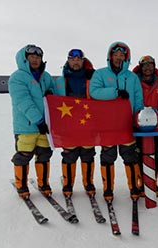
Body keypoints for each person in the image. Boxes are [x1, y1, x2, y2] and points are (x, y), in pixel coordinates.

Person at [89, 41, 144, 201]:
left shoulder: (132, 77)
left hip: (126, 124)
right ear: (110, 56)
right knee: (108, 157)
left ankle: (134, 186)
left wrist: (137, 118)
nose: (118, 57)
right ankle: (108, 188)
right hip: (107, 125)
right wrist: (115, 92)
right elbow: (94, 92)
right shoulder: (100, 74)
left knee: (130, 157)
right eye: (116, 54)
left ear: (126, 58)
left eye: (122, 55)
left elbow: (138, 99)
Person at [9, 44, 55, 198]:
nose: (35, 60)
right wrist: (38, 120)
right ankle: (21, 185)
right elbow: (23, 101)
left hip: (45, 127)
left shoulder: (46, 77)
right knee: (24, 155)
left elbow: (55, 96)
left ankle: (43, 183)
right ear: (25, 59)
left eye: (38, 57)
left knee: (44, 155)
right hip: (26, 127)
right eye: (32, 57)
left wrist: (51, 94)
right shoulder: (17, 77)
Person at [55, 49, 96, 196]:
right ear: (68, 61)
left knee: (87, 154)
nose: (76, 61)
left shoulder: (92, 78)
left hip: (87, 122)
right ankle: (68, 184)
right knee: (69, 155)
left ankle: (88, 182)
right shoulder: (60, 81)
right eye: (73, 59)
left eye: (79, 59)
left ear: (83, 61)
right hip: (68, 123)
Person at [133, 55, 158, 197]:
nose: (147, 68)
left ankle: (153, 182)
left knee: (155, 154)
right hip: (137, 125)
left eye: (150, 64)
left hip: (156, 126)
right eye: (144, 65)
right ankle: (141, 182)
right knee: (138, 155)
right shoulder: (134, 81)